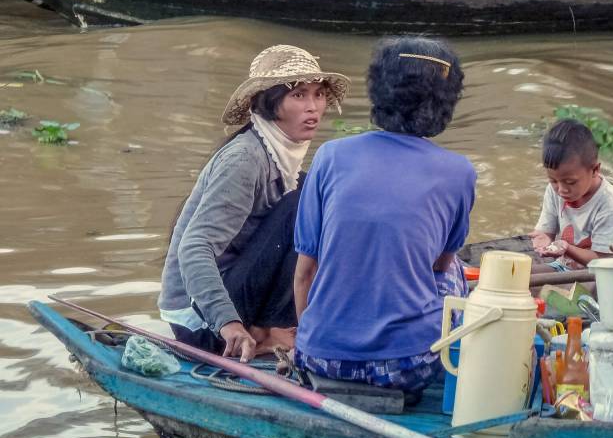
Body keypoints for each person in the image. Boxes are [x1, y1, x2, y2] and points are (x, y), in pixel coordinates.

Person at [292, 36, 476, 397]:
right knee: (455, 272)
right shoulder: (460, 172)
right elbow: (440, 265)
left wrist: (306, 346)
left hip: (321, 360)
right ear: (444, 103)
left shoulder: (329, 156)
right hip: (409, 365)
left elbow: (305, 274)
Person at [158, 45, 350, 362]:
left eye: (318, 95)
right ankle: (266, 331)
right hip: (205, 324)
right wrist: (230, 326)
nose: (313, 107)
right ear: (270, 103)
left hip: (242, 293)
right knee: (303, 204)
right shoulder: (245, 159)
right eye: (299, 95)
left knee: (315, 193)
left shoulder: (285, 161)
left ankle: (277, 326)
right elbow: (194, 247)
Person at [529, 119, 613, 272]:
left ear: (595, 170)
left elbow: (604, 262)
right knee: (522, 278)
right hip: (563, 267)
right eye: (553, 180)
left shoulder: (611, 205)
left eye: (570, 182)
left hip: (601, 276)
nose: (561, 190)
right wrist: (543, 239)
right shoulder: (554, 190)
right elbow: (546, 231)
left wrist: (567, 249)